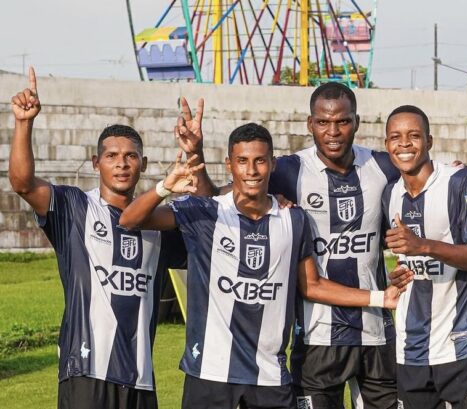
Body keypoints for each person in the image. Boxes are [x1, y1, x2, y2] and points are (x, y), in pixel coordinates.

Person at [118, 122, 405, 409]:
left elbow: (311, 285)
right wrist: (164, 188)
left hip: (270, 377)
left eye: (259, 161)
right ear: (229, 164)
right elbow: (129, 220)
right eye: (242, 161)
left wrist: (381, 298)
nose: (251, 170)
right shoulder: (205, 213)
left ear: (272, 164)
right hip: (210, 372)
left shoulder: (294, 220)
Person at [184, 82, 402, 409]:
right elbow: (217, 204)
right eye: (323, 122)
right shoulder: (289, 170)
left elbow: (423, 176)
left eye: (342, 121)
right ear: (310, 124)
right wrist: (195, 155)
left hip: (376, 331)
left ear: (356, 122)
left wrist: (452, 173)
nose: (333, 132)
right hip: (316, 336)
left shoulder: (382, 167)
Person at [8, 68, 187, 409]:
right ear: (96, 163)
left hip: (140, 377)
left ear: (143, 164)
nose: (122, 164)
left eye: (130, 156)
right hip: (85, 370)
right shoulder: (75, 208)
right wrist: (23, 123)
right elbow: (23, 184)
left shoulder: (158, 224)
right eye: (111, 156)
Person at [381, 105, 467, 409]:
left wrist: (424, 246)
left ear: (429, 141)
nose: (404, 144)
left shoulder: (462, 181)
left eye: (414, 136)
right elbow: (407, 257)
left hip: (465, 346)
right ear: (386, 144)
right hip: (411, 350)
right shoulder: (390, 194)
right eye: (396, 137)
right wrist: (398, 276)